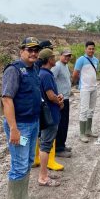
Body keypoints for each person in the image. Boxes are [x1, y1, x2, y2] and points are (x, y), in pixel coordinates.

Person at [2, 37, 42, 199]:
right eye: (29, 50)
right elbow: (7, 100)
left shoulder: (34, 69)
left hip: (32, 124)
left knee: (26, 161)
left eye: (36, 50)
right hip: (20, 126)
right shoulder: (14, 70)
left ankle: (23, 197)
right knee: (18, 165)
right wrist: (13, 129)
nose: (33, 53)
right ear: (21, 51)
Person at [38, 48, 63, 186]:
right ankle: (43, 177)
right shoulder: (46, 75)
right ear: (49, 60)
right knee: (46, 145)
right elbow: (50, 95)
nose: (55, 59)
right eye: (53, 57)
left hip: (47, 114)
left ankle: (44, 172)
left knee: (44, 143)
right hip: (50, 115)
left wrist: (57, 97)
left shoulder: (42, 73)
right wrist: (59, 102)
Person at [72, 41, 99, 143]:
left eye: (93, 49)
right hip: (84, 89)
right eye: (89, 48)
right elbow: (75, 73)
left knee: (91, 110)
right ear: (85, 49)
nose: (91, 50)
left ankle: (88, 130)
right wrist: (77, 83)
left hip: (94, 88)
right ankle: (82, 133)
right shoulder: (81, 60)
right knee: (84, 110)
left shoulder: (96, 60)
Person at [51, 49, 73, 158]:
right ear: (61, 56)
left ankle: (62, 145)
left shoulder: (66, 66)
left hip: (66, 98)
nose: (67, 58)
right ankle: (58, 149)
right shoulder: (57, 66)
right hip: (60, 99)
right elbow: (52, 80)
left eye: (69, 56)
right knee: (60, 124)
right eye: (65, 56)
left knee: (65, 123)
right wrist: (56, 96)